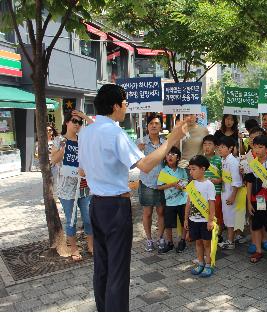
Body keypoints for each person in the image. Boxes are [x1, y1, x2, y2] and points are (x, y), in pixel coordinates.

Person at [78, 84, 187, 311]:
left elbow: (83, 170)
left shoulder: (86, 131)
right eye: (125, 102)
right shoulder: (114, 132)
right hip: (115, 206)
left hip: (96, 203)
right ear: (116, 105)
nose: (127, 106)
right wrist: (171, 140)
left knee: (102, 266)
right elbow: (146, 165)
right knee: (117, 269)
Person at [50, 112, 92, 261]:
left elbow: (90, 159)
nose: (77, 124)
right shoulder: (59, 140)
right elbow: (54, 160)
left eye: (79, 122)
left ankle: (91, 245)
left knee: (88, 218)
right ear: (67, 122)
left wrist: (83, 116)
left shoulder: (83, 140)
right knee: (71, 220)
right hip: (66, 189)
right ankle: (74, 248)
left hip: (84, 186)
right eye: (74, 121)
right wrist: (63, 147)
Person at [245, 135, 267, 263]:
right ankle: (258, 251)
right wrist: (249, 202)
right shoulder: (251, 164)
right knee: (256, 226)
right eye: (255, 147)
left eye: (260, 147)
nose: (257, 150)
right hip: (255, 200)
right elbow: (248, 183)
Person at [137, 114, 167, 253]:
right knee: (147, 212)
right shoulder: (140, 142)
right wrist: (139, 150)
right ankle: (149, 239)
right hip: (147, 182)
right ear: (147, 126)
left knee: (161, 212)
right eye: (151, 124)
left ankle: (160, 237)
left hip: (162, 183)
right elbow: (134, 162)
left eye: (157, 123)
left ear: (161, 126)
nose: (154, 126)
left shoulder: (165, 142)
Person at [184, 155, 216, 277]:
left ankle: (208, 264)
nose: (191, 172)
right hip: (193, 220)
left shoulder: (209, 185)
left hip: (205, 220)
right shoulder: (191, 184)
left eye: (193, 169)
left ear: (203, 169)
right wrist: (186, 219)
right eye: (190, 169)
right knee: (197, 242)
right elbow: (188, 202)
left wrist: (210, 221)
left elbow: (211, 203)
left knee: (207, 243)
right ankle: (200, 263)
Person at [157, 146, 188, 253]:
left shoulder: (182, 170)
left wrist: (181, 185)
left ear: (178, 158)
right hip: (170, 202)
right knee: (168, 224)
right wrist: (172, 184)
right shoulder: (163, 171)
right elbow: (159, 187)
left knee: (184, 221)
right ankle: (170, 242)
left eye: (173, 154)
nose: (170, 156)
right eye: (168, 154)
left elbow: (186, 184)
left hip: (183, 201)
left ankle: (183, 240)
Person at [218, 136, 243, 249]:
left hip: (231, 194)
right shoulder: (224, 160)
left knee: (230, 217)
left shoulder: (232, 161)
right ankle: (232, 238)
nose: (220, 149)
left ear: (230, 148)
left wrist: (232, 196)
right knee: (227, 216)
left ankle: (230, 241)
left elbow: (237, 181)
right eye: (219, 146)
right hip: (225, 192)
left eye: (223, 147)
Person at [202, 135, 223, 241]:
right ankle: (207, 232)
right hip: (203, 194)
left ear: (215, 147)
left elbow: (223, 177)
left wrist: (218, 180)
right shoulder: (200, 160)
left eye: (210, 144)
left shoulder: (219, 160)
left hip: (216, 192)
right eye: (205, 144)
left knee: (217, 213)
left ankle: (218, 233)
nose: (207, 147)